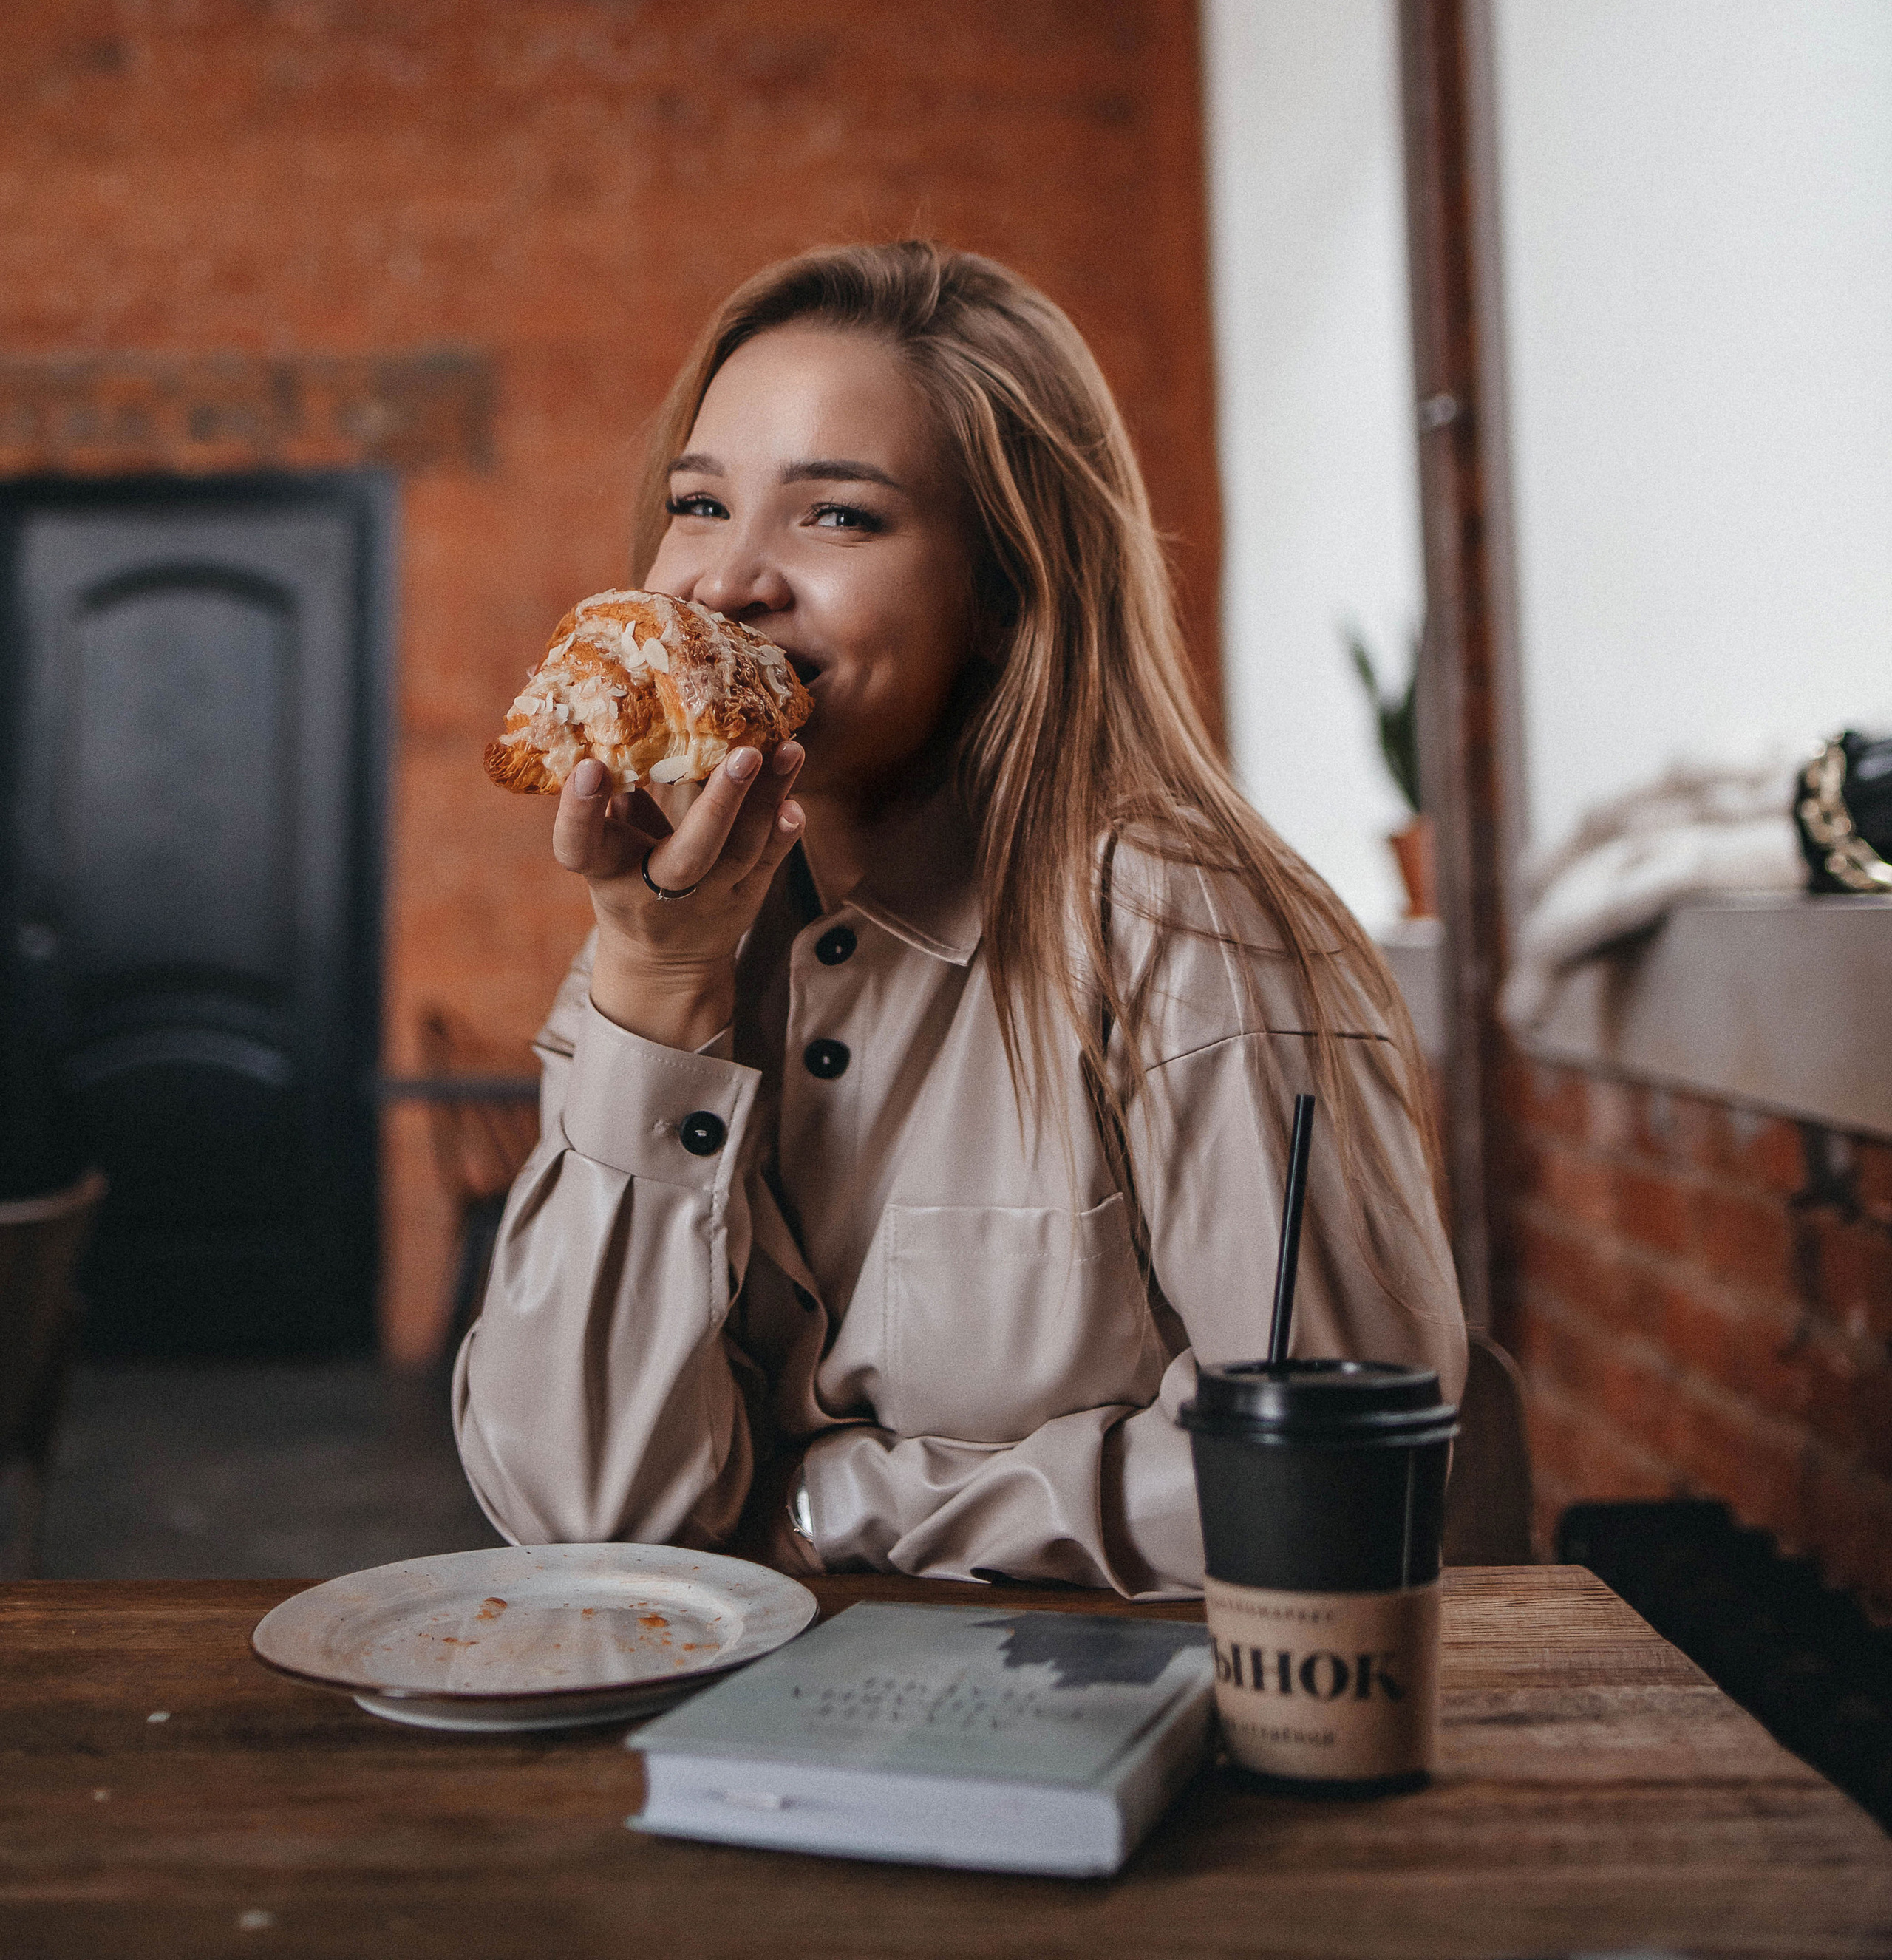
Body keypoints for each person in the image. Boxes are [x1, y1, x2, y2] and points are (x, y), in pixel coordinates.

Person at [455, 242, 1464, 1595]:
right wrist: (655, 985)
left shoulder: (1200, 937)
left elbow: (1335, 1474)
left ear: (1002, 590)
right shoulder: (665, 935)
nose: (723, 584)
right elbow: (577, 1513)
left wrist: (826, 1507)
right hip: (727, 1751)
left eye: (839, 518)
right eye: (699, 506)